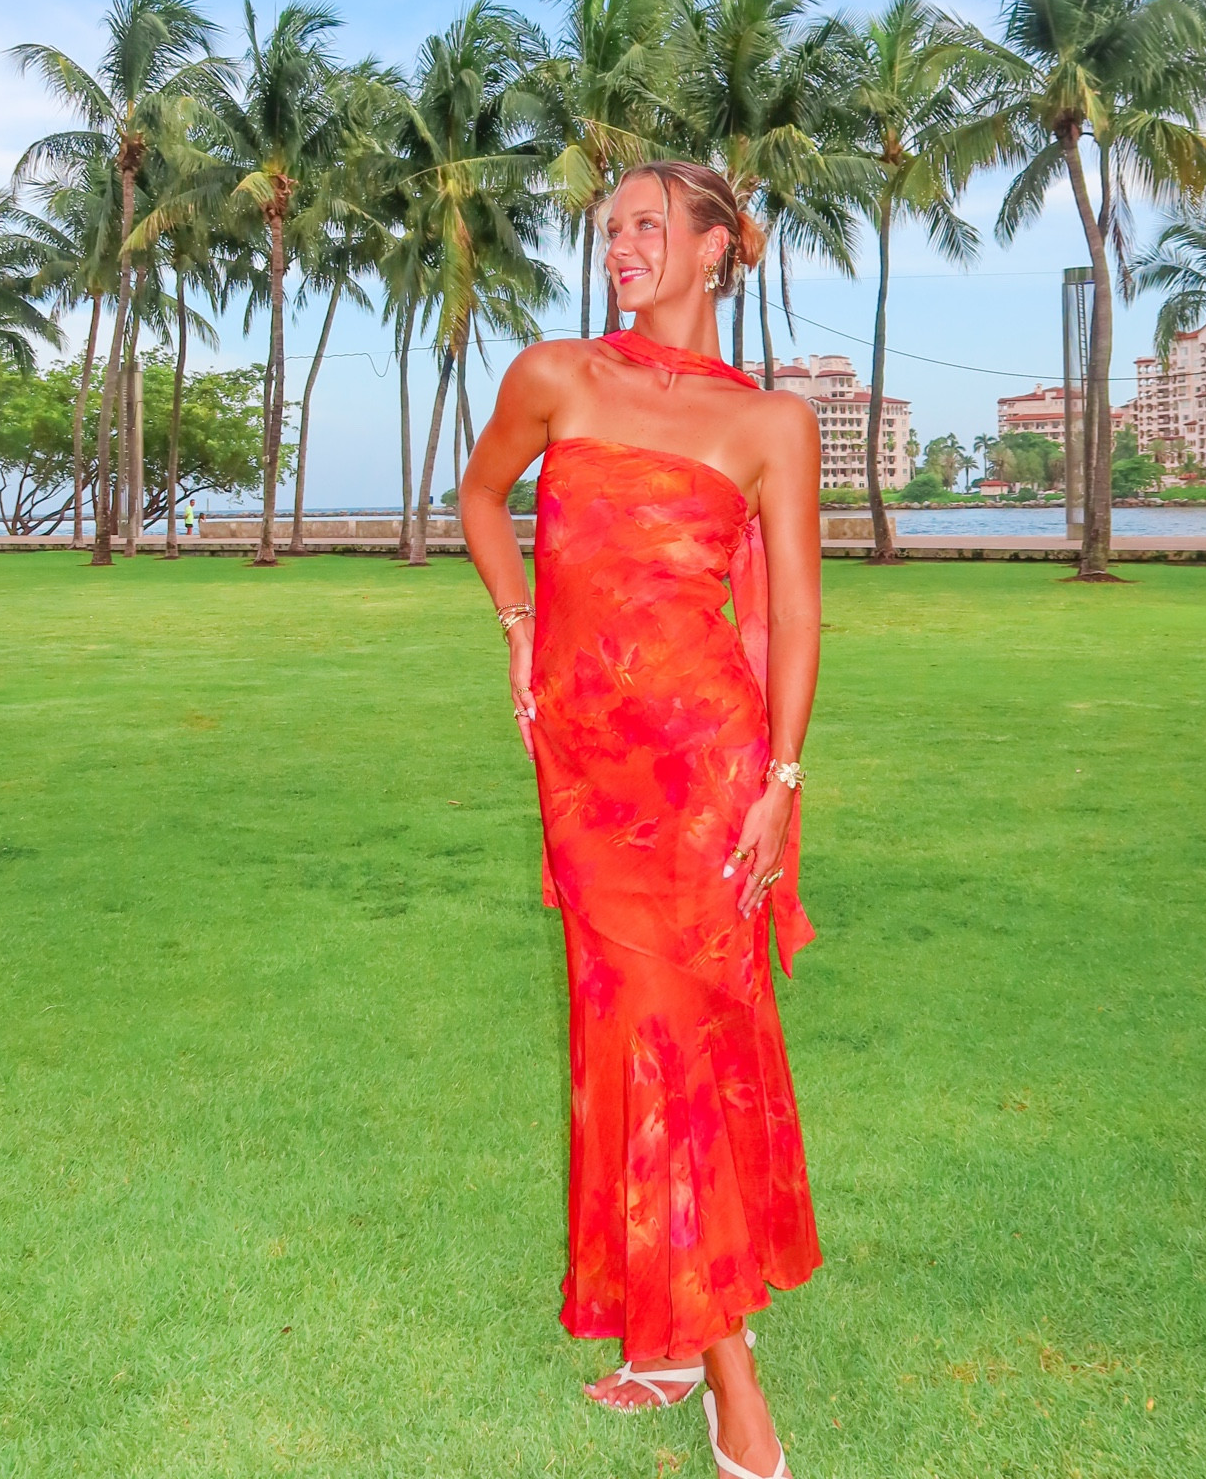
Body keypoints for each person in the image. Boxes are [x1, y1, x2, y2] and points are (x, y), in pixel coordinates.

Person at [461, 162, 823, 1479]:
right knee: (628, 1038)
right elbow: (479, 498)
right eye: (610, 226)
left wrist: (781, 787)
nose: (622, 242)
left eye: (648, 223)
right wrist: (516, 629)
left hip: (714, 770)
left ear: (719, 247)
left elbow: (787, 617)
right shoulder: (556, 376)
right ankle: (673, 1345)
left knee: (690, 1052)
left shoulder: (775, 426)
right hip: (589, 774)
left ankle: (731, 1386)